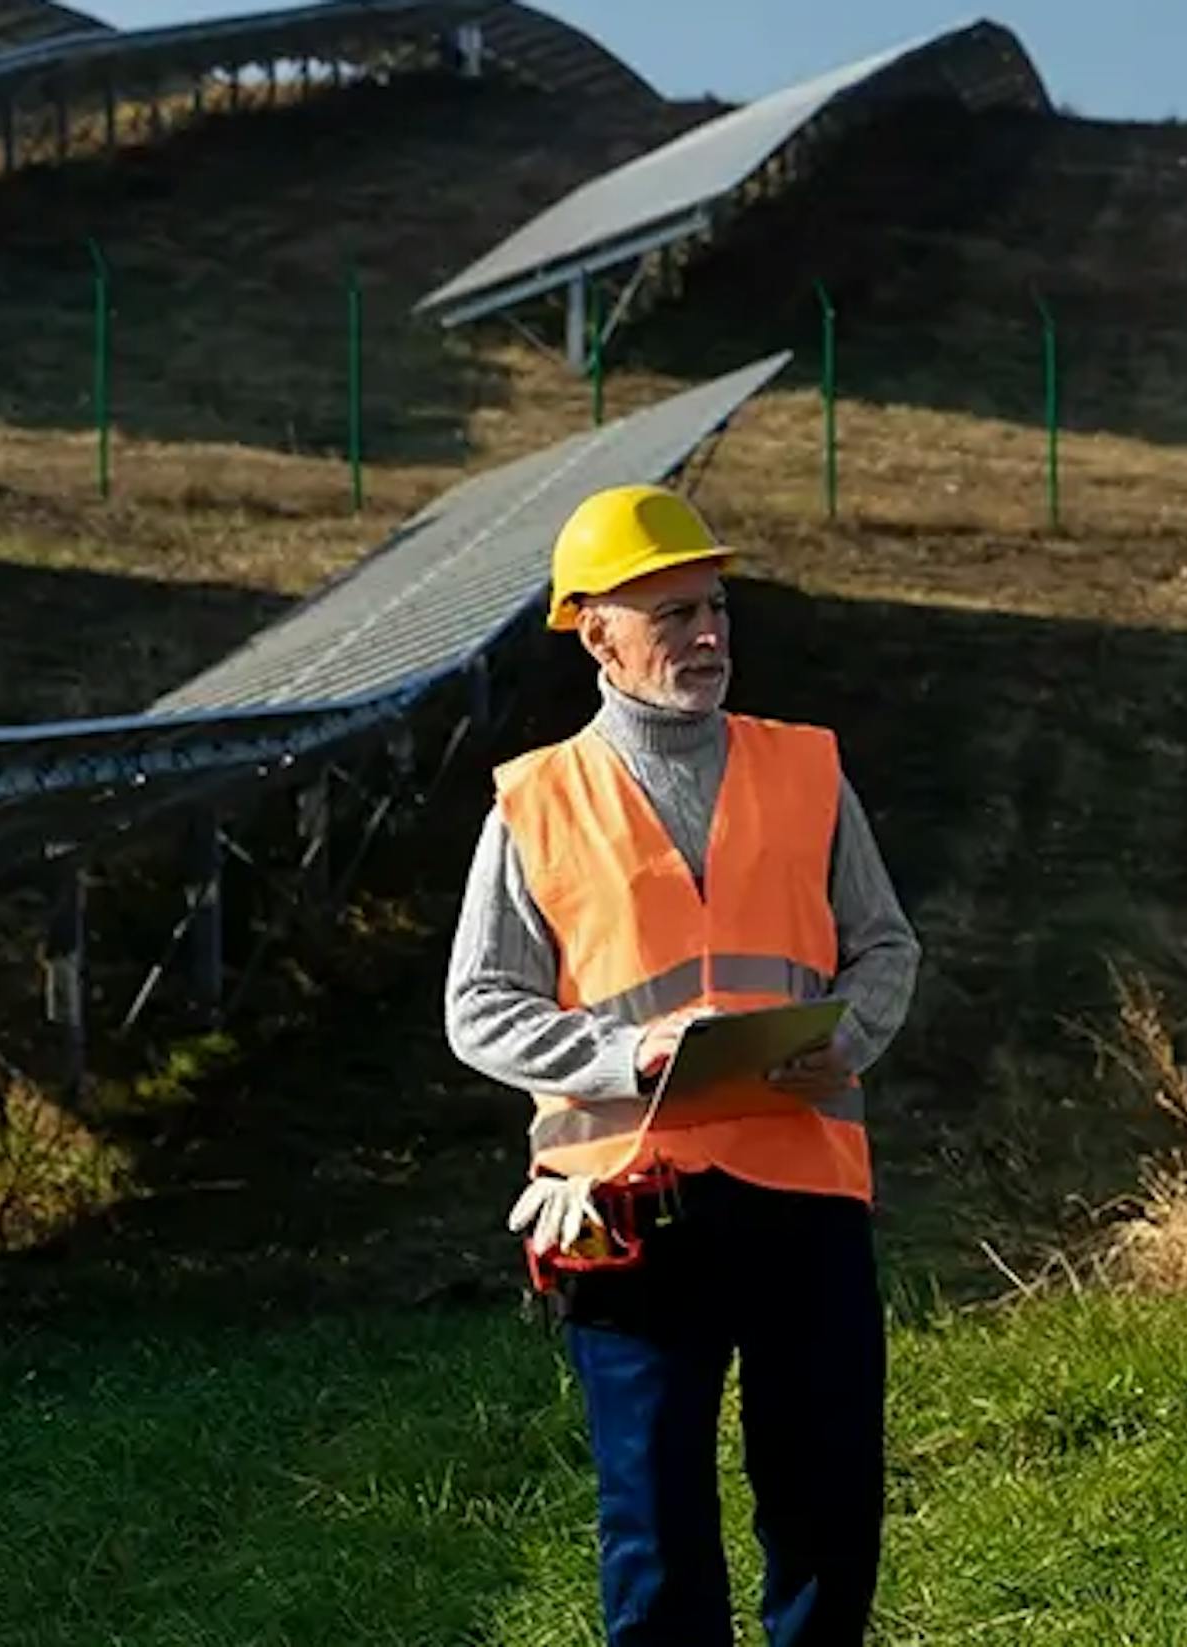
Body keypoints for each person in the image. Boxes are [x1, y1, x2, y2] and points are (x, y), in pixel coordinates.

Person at [442, 482, 919, 1647]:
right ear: (596, 634)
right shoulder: (535, 804)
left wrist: (844, 1038)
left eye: (715, 609)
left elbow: (886, 946)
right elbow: (478, 1008)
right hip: (625, 1209)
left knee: (828, 1501)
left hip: (802, 1188)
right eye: (673, 616)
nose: (707, 636)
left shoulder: (807, 770)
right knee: (654, 1522)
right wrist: (625, 1054)